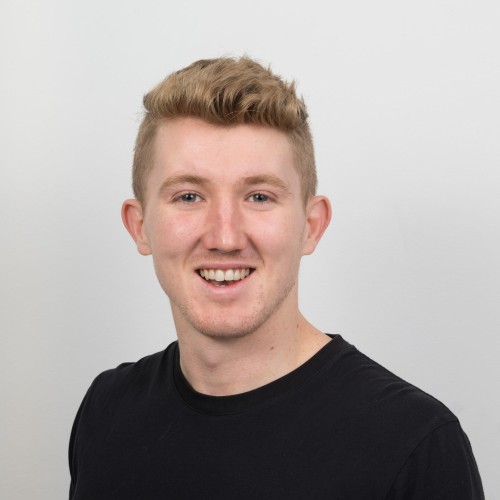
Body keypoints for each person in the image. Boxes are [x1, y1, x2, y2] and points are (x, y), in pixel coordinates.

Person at [68, 57, 484, 499]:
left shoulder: (414, 443)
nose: (225, 237)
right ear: (139, 226)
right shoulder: (107, 409)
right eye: (188, 196)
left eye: (259, 197)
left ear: (311, 226)